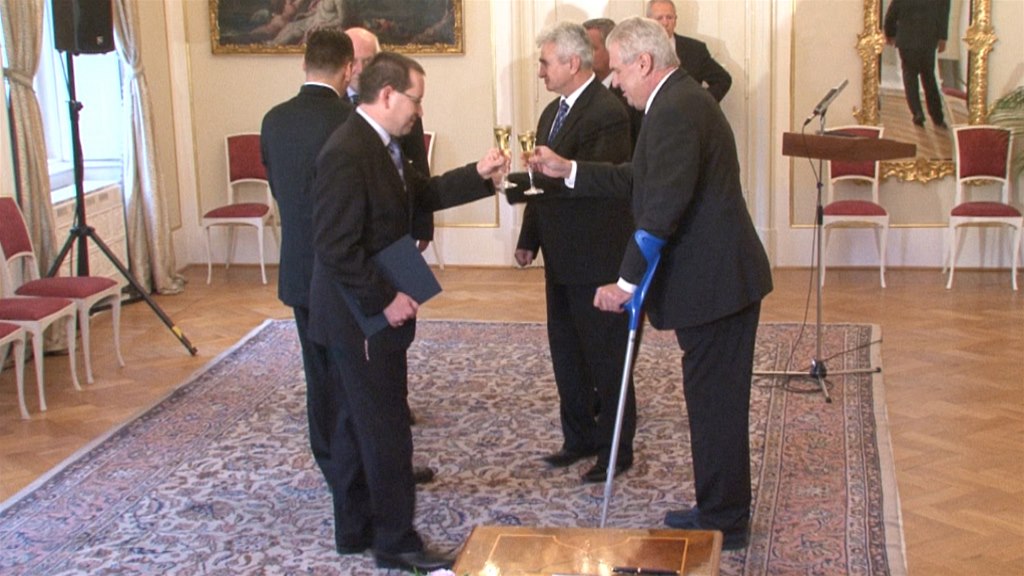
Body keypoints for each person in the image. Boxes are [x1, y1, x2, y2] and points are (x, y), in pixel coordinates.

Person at [529, 16, 773, 551]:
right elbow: (637, 178)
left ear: (643, 63)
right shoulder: (673, 102)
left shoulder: (677, 109)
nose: (614, 82)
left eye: (618, 70)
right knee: (710, 403)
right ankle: (718, 508)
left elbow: (662, 207)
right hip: (713, 283)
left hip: (716, 285)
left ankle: (725, 520)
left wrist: (624, 283)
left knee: (716, 407)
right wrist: (570, 169)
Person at [307, 52, 506, 572]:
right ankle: (396, 541)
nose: (419, 111)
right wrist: (385, 298)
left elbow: (422, 193)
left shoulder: (380, 144)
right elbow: (335, 247)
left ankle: (354, 529)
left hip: (359, 314)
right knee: (385, 427)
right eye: (416, 100)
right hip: (358, 316)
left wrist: (479, 175)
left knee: (354, 424)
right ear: (388, 94)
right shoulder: (347, 151)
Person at [511, 22, 635, 484]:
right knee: (566, 352)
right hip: (559, 255)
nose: (540, 71)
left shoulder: (608, 112)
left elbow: (604, 184)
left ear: (572, 62)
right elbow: (540, 183)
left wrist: (530, 184)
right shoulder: (551, 112)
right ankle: (578, 437)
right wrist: (529, 237)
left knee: (605, 357)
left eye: (546, 62)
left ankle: (616, 450)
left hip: (596, 254)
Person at [345, 27, 434, 253]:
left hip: (395, 239)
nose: (361, 70)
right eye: (354, 61)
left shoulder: (405, 110)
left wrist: (423, 226)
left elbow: (418, 172)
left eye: (368, 61)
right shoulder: (331, 114)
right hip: (364, 248)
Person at [646, 0, 732, 102]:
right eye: (659, 18)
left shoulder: (695, 50)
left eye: (669, 17)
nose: (665, 23)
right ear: (648, 22)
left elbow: (723, 80)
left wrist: (701, 104)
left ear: (675, 20)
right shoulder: (637, 50)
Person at [884, 0, 950, 128]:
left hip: (906, 38)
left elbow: (892, 12)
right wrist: (943, 37)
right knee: (929, 76)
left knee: (910, 75)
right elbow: (944, 13)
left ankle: (917, 112)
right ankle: (937, 116)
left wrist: (890, 33)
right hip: (928, 37)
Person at [583, 17, 643, 147]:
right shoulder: (580, 92)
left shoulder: (632, 92)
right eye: (582, 50)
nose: (584, 56)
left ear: (611, 49)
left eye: (592, 49)